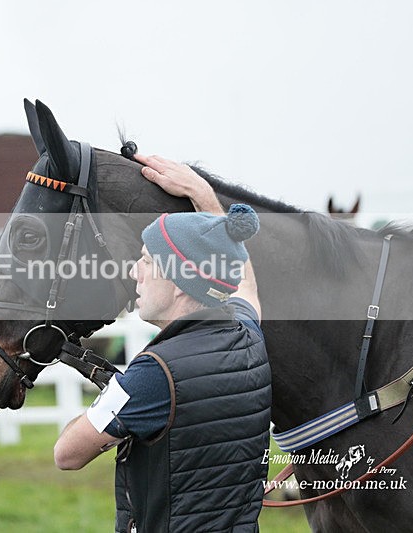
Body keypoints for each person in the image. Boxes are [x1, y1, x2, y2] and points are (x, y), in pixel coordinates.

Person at [53, 155, 272, 532]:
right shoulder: (247, 333)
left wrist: (118, 394)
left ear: (178, 281)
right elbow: (244, 283)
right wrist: (203, 196)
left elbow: (66, 454)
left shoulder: (154, 373)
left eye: (146, 260)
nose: (134, 271)